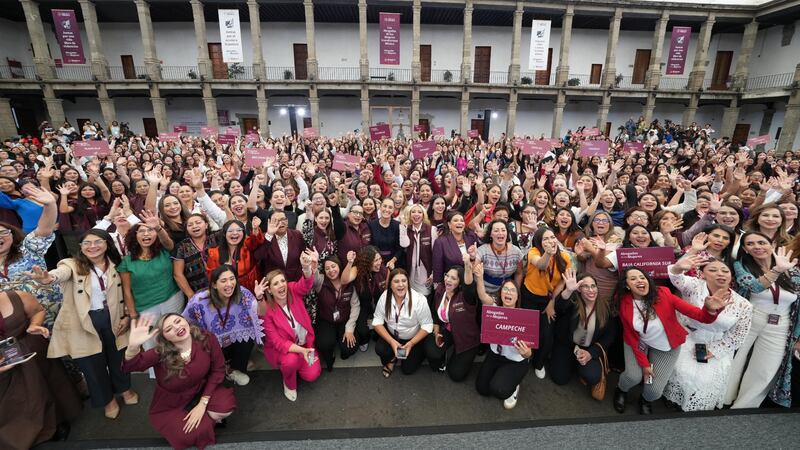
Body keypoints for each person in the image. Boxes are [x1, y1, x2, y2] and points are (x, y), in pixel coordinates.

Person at [27, 229, 138, 419]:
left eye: (97, 242)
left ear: (106, 244)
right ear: (80, 247)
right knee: (92, 365)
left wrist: (127, 316)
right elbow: (59, 274)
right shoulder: (72, 264)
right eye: (87, 243)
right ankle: (107, 400)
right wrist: (47, 278)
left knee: (118, 356)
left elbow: (127, 292)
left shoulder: (116, 264)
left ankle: (124, 388)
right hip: (84, 322)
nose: (92, 246)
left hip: (114, 318)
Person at [614, 267, 731, 415]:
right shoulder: (624, 301)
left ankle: (645, 400)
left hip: (665, 346)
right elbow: (630, 334)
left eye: (642, 277)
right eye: (633, 278)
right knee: (632, 377)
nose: (639, 280)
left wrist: (710, 310)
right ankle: (621, 389)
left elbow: (701, 316)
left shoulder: (663, 293)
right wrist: (644, 364)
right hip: (639, 342)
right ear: (626, 285)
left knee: (654, 391)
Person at [122, 314, 235, 450]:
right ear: (165, 338)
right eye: (169, 329)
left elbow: (218, 370)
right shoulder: (160, 353)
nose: (177, 327)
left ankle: (204, 417)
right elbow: (129, 367)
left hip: (202, 391)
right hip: (172, 403)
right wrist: (133, 347)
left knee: (227, 405)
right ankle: (207, 421)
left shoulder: (207, 338)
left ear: (185, 321)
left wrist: (202, 404)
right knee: (189, 434)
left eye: (178, 321)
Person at [664, 255, 752, 411]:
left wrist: (715, 350)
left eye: (725, 271)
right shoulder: (694, 286)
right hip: (687, 338)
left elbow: (738, 335)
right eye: (713, 270)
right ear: (702, 274)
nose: (720, 273)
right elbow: (676, 277)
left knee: (705, 383)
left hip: (716, 345)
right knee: (681, 375)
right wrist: (678, 267)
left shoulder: (743, 304)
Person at [0, 290, 83, 449]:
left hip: (32, 353)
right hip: (3, 366)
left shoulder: (16, 296)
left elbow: (38, 311)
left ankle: (57, 422)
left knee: (48, 389)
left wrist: (34, 325)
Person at [726, 234, 800, 408]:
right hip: (750, 319)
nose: (757, 246)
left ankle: (744, 406)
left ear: (772, 244)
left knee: (765, 369)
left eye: (762, 242)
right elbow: (754, 287)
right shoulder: (741, 266)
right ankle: (722, 400)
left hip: (781, 324)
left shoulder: (793, 269)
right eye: (750, 244)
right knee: (735, 361)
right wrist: (777, 270)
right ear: (744, 249)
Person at [183, 265, 263, 386]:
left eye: (232, 279)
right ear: (214, 285)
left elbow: (261, 313)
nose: (229, 284)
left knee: (248, 337)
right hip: (214, 341)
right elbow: (185, 319)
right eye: (223, 280)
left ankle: (234, 369)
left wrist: (260, 298)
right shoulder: (199, 300)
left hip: (236, 338)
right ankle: (220, 368)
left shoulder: (243, 293)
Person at [258, 248, 321, 401]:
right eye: (275, 283)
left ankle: (299, 364)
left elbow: (305, 284)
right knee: (291, 362)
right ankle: (289, 381)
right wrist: (301, 351)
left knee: (312, 375)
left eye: (282, 281)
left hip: (304, 344)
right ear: (270, 290)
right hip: (285, 351)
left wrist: (306, 267)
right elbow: (278, 342)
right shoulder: (267, 309)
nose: (281, 285)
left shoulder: (292, 290)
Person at [550, 269, 617, 397]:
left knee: (592, 376)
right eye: (585, 286)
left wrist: (591, 353)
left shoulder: (606, 308)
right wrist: (568, 290)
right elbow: (559, 307)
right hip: (567, 345)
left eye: (593, 286)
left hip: (589, 348)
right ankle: (570, 363)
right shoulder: (573, 302)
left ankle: (582, 368)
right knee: (559, 379)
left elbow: (610, 336)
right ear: (579, 289)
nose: (591, 290)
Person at [118, 212, 179, 349]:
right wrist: (133, 315)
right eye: (142, 231)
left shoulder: (165, 251)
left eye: (150, 230)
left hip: (173, 300)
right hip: (146, 308)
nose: (146, 234)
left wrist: (157, 227)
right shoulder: (127, 262)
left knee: (176, 339)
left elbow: (169, 243)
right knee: (152, 345)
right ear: (135, 236)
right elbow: (127, 291)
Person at [474, 279, 534, 410]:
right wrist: (479, 277)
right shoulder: (494, 310)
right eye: (505, 289)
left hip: (516, 361)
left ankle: (514, 386)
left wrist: (526, 353)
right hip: (495, 355)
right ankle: (503, 377)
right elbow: (483, 296)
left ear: (517, 296)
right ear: (500, 293)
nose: (508, 292)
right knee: (482, 389)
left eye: (513, 290)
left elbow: (529, 352)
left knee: (499, 390)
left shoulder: (525, 318)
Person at [522, 227, 572, 379]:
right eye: (546, 239)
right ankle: (524, 358)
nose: (551, 241)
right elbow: (541, 265)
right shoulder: (534, 252)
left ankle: (539, 362)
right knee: (526, 330)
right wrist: (548, 253)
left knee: (546, 334)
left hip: (548, 299)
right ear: (539, 242)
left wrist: (551, 302)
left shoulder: (564, 257)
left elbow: (562, 283)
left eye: (552, 238)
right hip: (530, 295)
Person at [426, 254, 483, 381]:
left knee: (456, 375)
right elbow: (435, 314)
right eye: (447, 276)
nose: (448, 280)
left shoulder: (466, 296)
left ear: (460, 281)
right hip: (448, 330)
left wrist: (468, 265)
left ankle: (460, 352)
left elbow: (469, 285)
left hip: (466, 338)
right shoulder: (440, 290)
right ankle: (449, 351)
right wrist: (436, 332)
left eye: (453, 278)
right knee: (432, 353)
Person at [372, 268, 433, 377]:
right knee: (380, 349)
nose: (401, 285)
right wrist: (391, 341)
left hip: (412, 338)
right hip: (393, 335)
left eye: (404, 281)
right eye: (396, 281)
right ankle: (392, 359)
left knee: (407, 369)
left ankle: (420, 350)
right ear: (390, 284)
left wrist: (411, 343)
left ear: (408, 283)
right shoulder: (385, 296)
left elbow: (427, 326)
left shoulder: (419, 300)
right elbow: (377, 321)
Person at [313, 254, 360, 371]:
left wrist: (350, 328)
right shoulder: (321, 281)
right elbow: (313, 278)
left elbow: (355, 306)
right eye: (327, 268)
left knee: (350, 348)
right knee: (324, 344)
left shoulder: (348, 282)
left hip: (344, 320)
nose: (331, 271)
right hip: (326, 320)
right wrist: (313, 265)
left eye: (333, 266)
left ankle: (343, 349)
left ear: (339, 266)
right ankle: (330, 355)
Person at [205, 219, 263, 293]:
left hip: (250, 288)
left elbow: (256, 239)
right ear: (224, 234)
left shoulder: (247, 245)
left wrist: (255, 229)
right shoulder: (214, 253)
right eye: (230, 231)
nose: (235, 233)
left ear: (243, 233)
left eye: (239, 230)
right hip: (226, 289)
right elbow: (212, 275)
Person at [475, 219, 524, 295]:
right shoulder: (482, 250)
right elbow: (474, 270)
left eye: (503, 230)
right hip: (485, 291)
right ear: (490, 234)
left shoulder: (516, 251)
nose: (500, 233)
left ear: (507, 233)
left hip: (507, 292)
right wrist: (471, 258)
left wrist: (516, 291)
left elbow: (519, 273)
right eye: (496, 230)